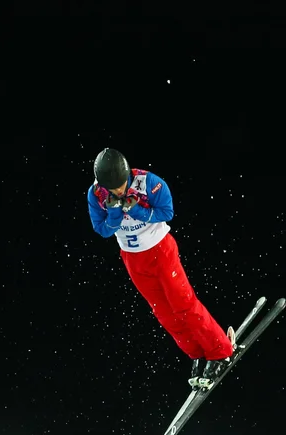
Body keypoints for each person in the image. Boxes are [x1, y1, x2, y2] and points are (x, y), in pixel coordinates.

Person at [87, 148, 234, 387]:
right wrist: (115, 213)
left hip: (161, 253)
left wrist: (136, 210)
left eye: (122, 185)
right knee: (164, 313)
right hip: (133, 259)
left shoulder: (149, 183)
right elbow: (102, 230)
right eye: (112, 189)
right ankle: (197, 352)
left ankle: (220, 350)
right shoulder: (96, 194)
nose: (119, 191)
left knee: (183, 305)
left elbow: (168, 212)